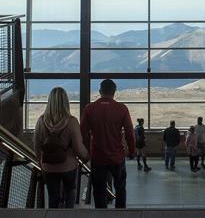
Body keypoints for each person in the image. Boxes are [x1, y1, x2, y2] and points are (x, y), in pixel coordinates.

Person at [81, 79, 135, 209]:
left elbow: (83, 133)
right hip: (117, 156)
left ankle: (101, 214)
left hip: (98, 157)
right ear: (114, 92)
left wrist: (87, 153)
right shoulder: (122, 108)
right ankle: (120, 213)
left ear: (100, 92)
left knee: (99, 190)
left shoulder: (90, 108)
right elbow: (129, 132)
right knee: (120, 188)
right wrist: (132, 151)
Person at [33, 87, 88, 209]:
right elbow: (79, 147)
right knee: (70, 191)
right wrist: (85, 157)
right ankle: (68, 213)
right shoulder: (72, 122)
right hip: (68, 166)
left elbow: (36, 146)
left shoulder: (40, 121)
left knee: (53, 196)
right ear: (66, 102)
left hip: (48, 166)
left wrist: (40, 162)